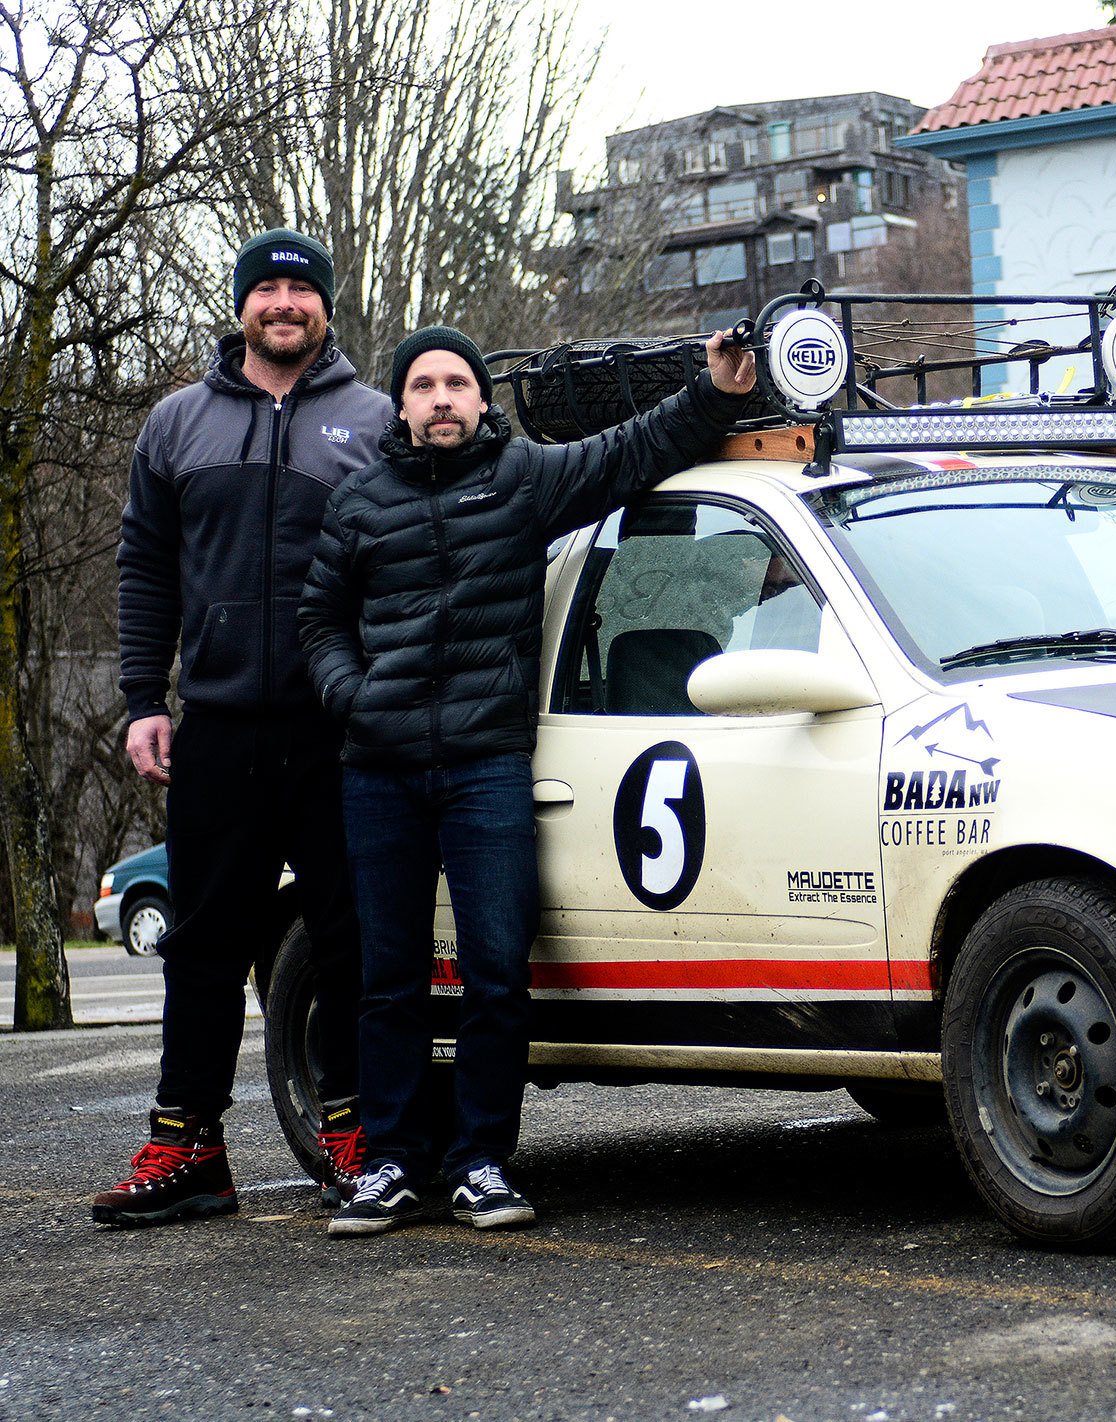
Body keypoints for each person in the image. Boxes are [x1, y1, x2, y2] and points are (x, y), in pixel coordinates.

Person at [300, 324, 755, 1235]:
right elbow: (320, 620)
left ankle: (479, 1165)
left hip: (486, 771)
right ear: (401, 404)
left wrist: (715, 393)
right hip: (378, 773)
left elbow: (631, 452)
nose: (441, 399)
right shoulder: (358, 502)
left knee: (498, 973)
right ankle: (388, 1165)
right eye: (423, 385)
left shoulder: (521, 480)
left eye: (457, 384)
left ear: (480, 400)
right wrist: (355, 698)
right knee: (387, 978)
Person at [96, 228, 390, 1227]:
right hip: (215, 725)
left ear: (324, 308)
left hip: (335, 727)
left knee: (349, 939)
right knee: (203, 943)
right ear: (241, 307)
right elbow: (143, 569)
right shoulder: (176, 425)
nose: (283, 304)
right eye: (265, 289)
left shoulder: (378, 421)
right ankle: (188, 1150)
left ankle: (354, 1140)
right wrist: (145, 700)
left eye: (300, 291)